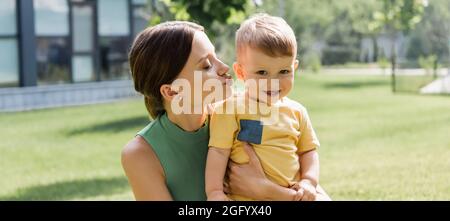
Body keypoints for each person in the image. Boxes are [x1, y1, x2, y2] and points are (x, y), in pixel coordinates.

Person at [121, 20, 331, 201]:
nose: (223, 67)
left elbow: (318, 194)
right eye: (206, 66)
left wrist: (268, 191)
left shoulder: (244, 112)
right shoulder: (141, 154)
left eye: (216, 57)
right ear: (172, 91)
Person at [206, 14, 326, 201]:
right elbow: (219, 152)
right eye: (262, 72)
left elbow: (308, 152)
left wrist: (309, 181)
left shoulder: (297, 112)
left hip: (291, 194)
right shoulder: (231, 109)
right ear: (240, 72)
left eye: (284, 71)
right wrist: (214, 192)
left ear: (294, 68)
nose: (273, 82)